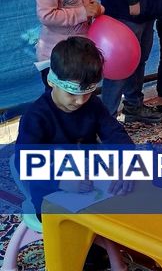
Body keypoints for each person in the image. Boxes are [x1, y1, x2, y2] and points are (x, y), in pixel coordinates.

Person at [14, 37, 134, 271]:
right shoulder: (35, 117)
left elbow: (116, 134)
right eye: (72, 94)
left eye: (87, 93)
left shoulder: (92, 105)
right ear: (52, 81)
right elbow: (24, 162)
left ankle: (101, 247)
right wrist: (61, 182)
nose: (79, 101)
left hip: (89, 182)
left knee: (127, 200)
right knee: (79, 235)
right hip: (49, 190)